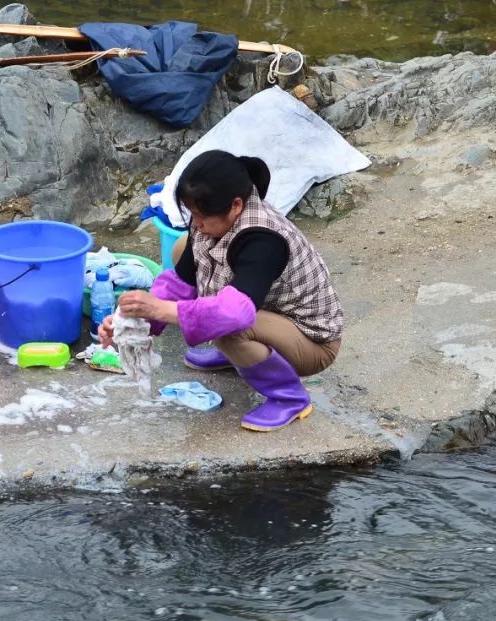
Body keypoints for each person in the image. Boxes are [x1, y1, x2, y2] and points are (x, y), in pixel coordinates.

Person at [100, 150, 343, 431]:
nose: (196, 223)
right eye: (192, 214)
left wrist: (161, 310)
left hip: (311, 340)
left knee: (229, 329)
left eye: (202, 216)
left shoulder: (263, 240)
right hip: (267, 309)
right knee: (182, 249)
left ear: (236, 205)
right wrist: (131, 321)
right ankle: (239, 358)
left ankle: (289, 397)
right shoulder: (210, 219)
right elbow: (182, 281)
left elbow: (234, 313)